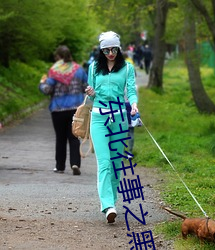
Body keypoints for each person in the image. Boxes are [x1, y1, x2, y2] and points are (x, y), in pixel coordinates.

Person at [85, 31, 138, 223]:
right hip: (99, 118)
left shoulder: (127, 68)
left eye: (113, 49)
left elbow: (131, 90)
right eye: (106, 50)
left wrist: (133, 104)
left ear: (119, 48)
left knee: (116, 165)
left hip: (119, 118)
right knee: (105, 162)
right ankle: (107, 205)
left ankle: (112, 201)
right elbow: (91, 97)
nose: (110, 53)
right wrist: (90, 92)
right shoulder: (93, 68)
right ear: (101, 50)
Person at [39, 45, 88, 175]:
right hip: (75, 109)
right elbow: (86, 87)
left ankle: (60, 166)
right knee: (74, 137)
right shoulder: (79, 70)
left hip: (58, 109)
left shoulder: (54, 71)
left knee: (60, 138)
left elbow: (47, 90)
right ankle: (75, 163)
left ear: (58, 57)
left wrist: (42, 83)